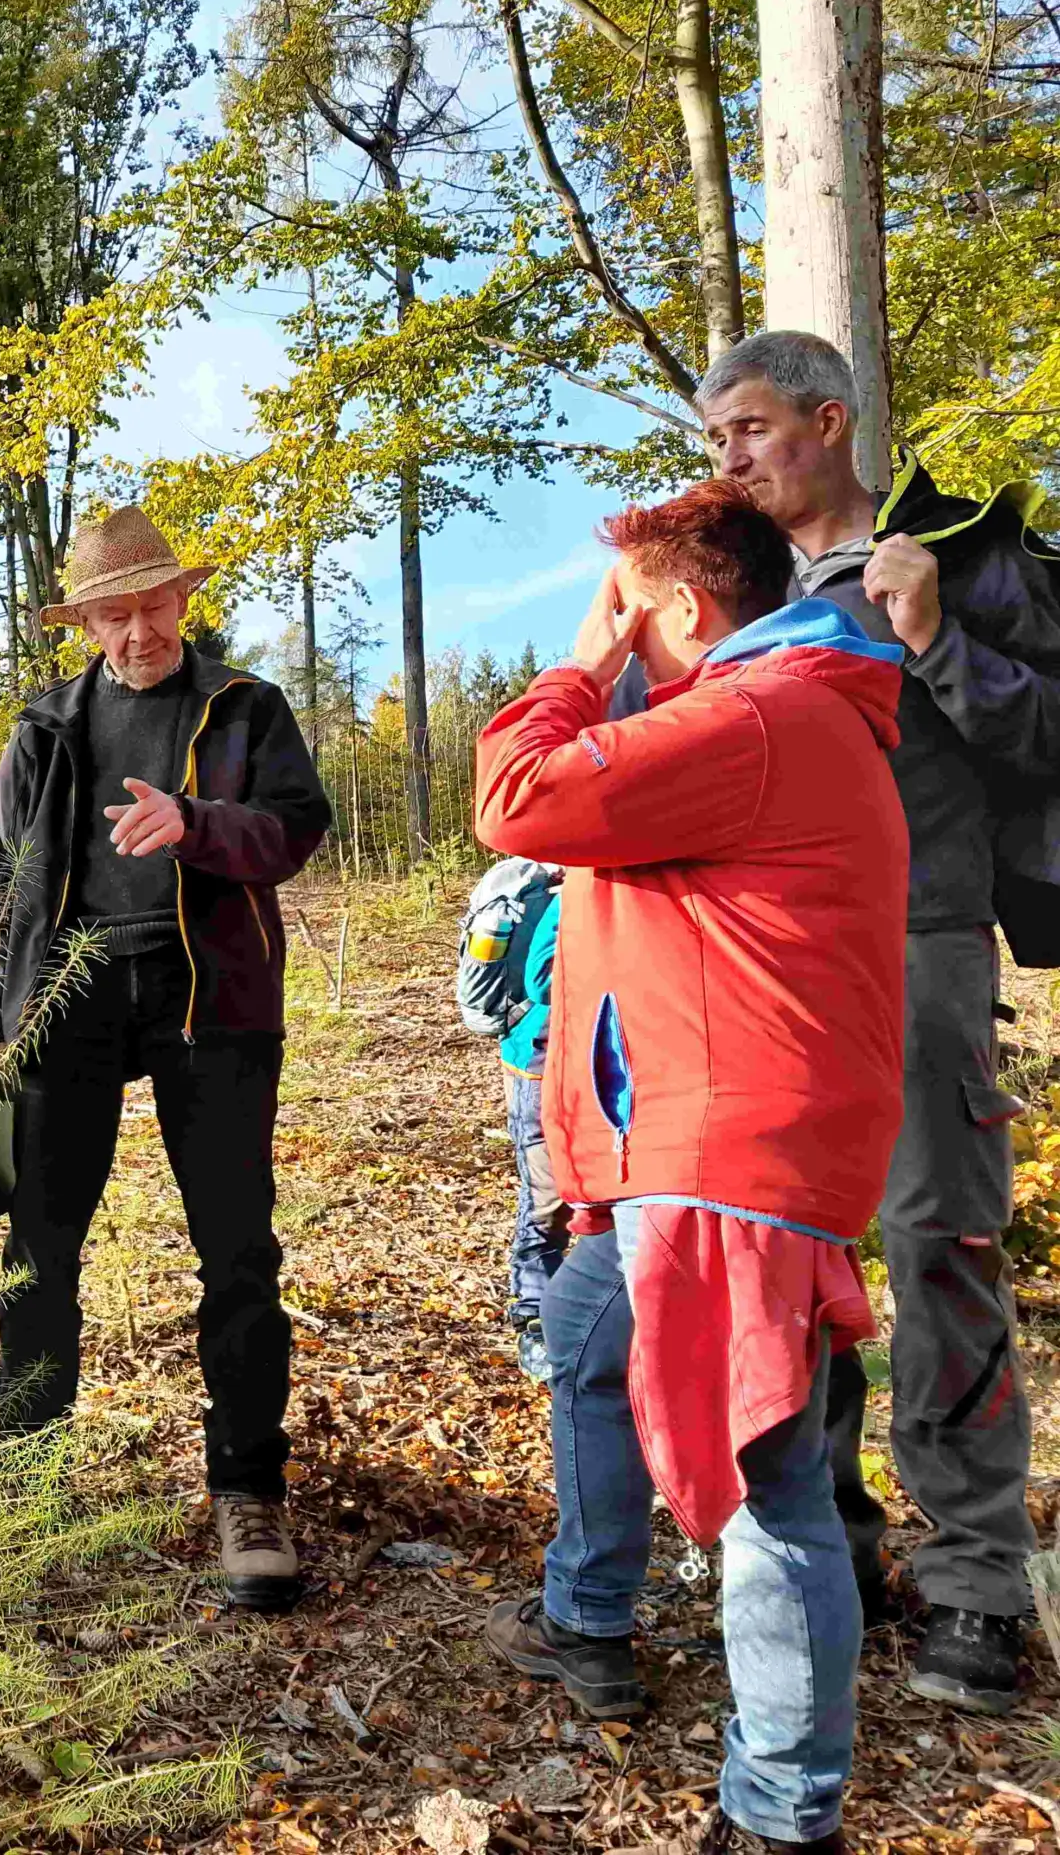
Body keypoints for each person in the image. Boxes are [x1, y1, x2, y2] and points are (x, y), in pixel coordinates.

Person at [474, 480, 907, 1855]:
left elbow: (519, 795)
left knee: (768, 1475)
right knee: (591, 1340)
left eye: (633, 612)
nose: (624, 646)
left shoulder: (751, 715)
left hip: (728, 1159)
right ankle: (590, 1614)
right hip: (707, 1144)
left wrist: (581, 657)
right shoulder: (783, 713)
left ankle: (786, 1813)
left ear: (677, 605)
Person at [702, 329, 1060, 1713]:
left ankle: (975, 1578)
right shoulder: (723, 584)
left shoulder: (957, 557)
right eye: (715, 439)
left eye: (748, 429)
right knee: (790, 1263)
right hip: (761, 963)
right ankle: (822, 1549)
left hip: (920, 948)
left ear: (829, 420)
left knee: (939, 1245)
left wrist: (938, 641)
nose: (728, 460)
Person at [0, 503, 333, 1611]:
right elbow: (7, 888)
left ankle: (248, 1492)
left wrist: (195, 824)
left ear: (184, 600)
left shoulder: (242, 708)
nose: (137, 631)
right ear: (81, 623)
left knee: (234, 1251)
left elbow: (295, 830)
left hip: (208, 1001)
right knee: (38, 1248)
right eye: (112, 614)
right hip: (65, 998)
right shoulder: (43, 729)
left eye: (153, 605)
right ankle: (28, 1482)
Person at [457, 855, 567, 1379]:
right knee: (546, 1196)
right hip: (538, 1062)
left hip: (591, 1060)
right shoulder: (567, 892)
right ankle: (534, 1316)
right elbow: (544, 978)